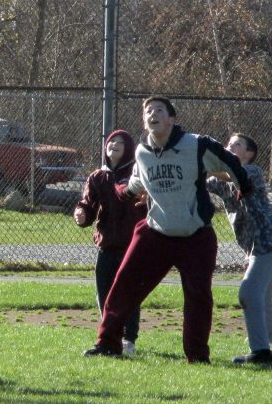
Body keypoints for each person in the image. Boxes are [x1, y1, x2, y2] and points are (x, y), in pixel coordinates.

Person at [84, 96, 252, 363]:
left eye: (159, 110)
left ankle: (197, 356)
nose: (153, 114)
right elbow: (135, 183)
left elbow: (230, 161)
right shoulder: (142, 151)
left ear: (172, 119)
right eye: (148, 111)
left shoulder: (196, 145)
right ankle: (107, 343)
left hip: (195, 236)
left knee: (198, 298)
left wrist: (244, 187)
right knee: (123, 285)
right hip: (155, 234)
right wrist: (121, 192)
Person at [207, 134, 272, 364]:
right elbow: (199, 182)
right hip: (256, 248)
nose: (230, 147)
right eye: (228, 144)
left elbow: (234, 175)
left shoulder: (253, 171)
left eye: (237, 145)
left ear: (249, 154)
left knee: (248, 293)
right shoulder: (220, 181)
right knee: (261, 300)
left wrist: (208, 164)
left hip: (271, 241)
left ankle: (260, 352)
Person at [73, 129, 146, 355]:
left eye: (120, 143)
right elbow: (88, 203)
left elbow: (145, 202)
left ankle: (128, 338)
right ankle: (109, 335)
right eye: (111, 141)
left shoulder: (136, 173)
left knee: (128, 291)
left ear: (129, 150)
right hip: (107, 244)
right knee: (104, 292)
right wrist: (81, 213)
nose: (113, 144)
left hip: (131, 244)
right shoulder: (98, 177)